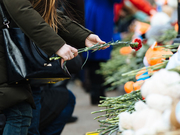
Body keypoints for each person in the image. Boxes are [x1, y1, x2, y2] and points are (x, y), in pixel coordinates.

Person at [0, 0, 106, 134]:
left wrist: (83, 36)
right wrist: (57, 45)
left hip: (18, 67)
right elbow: (23, 11)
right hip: (10, 62)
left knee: (24, 113)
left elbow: (43, 14)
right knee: (20, 114)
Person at [83, 0, 122, 105]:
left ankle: (95, 92)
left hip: (92, 9)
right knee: (100, 50)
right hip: (102, 13)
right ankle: (98, 93)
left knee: (93, 51)